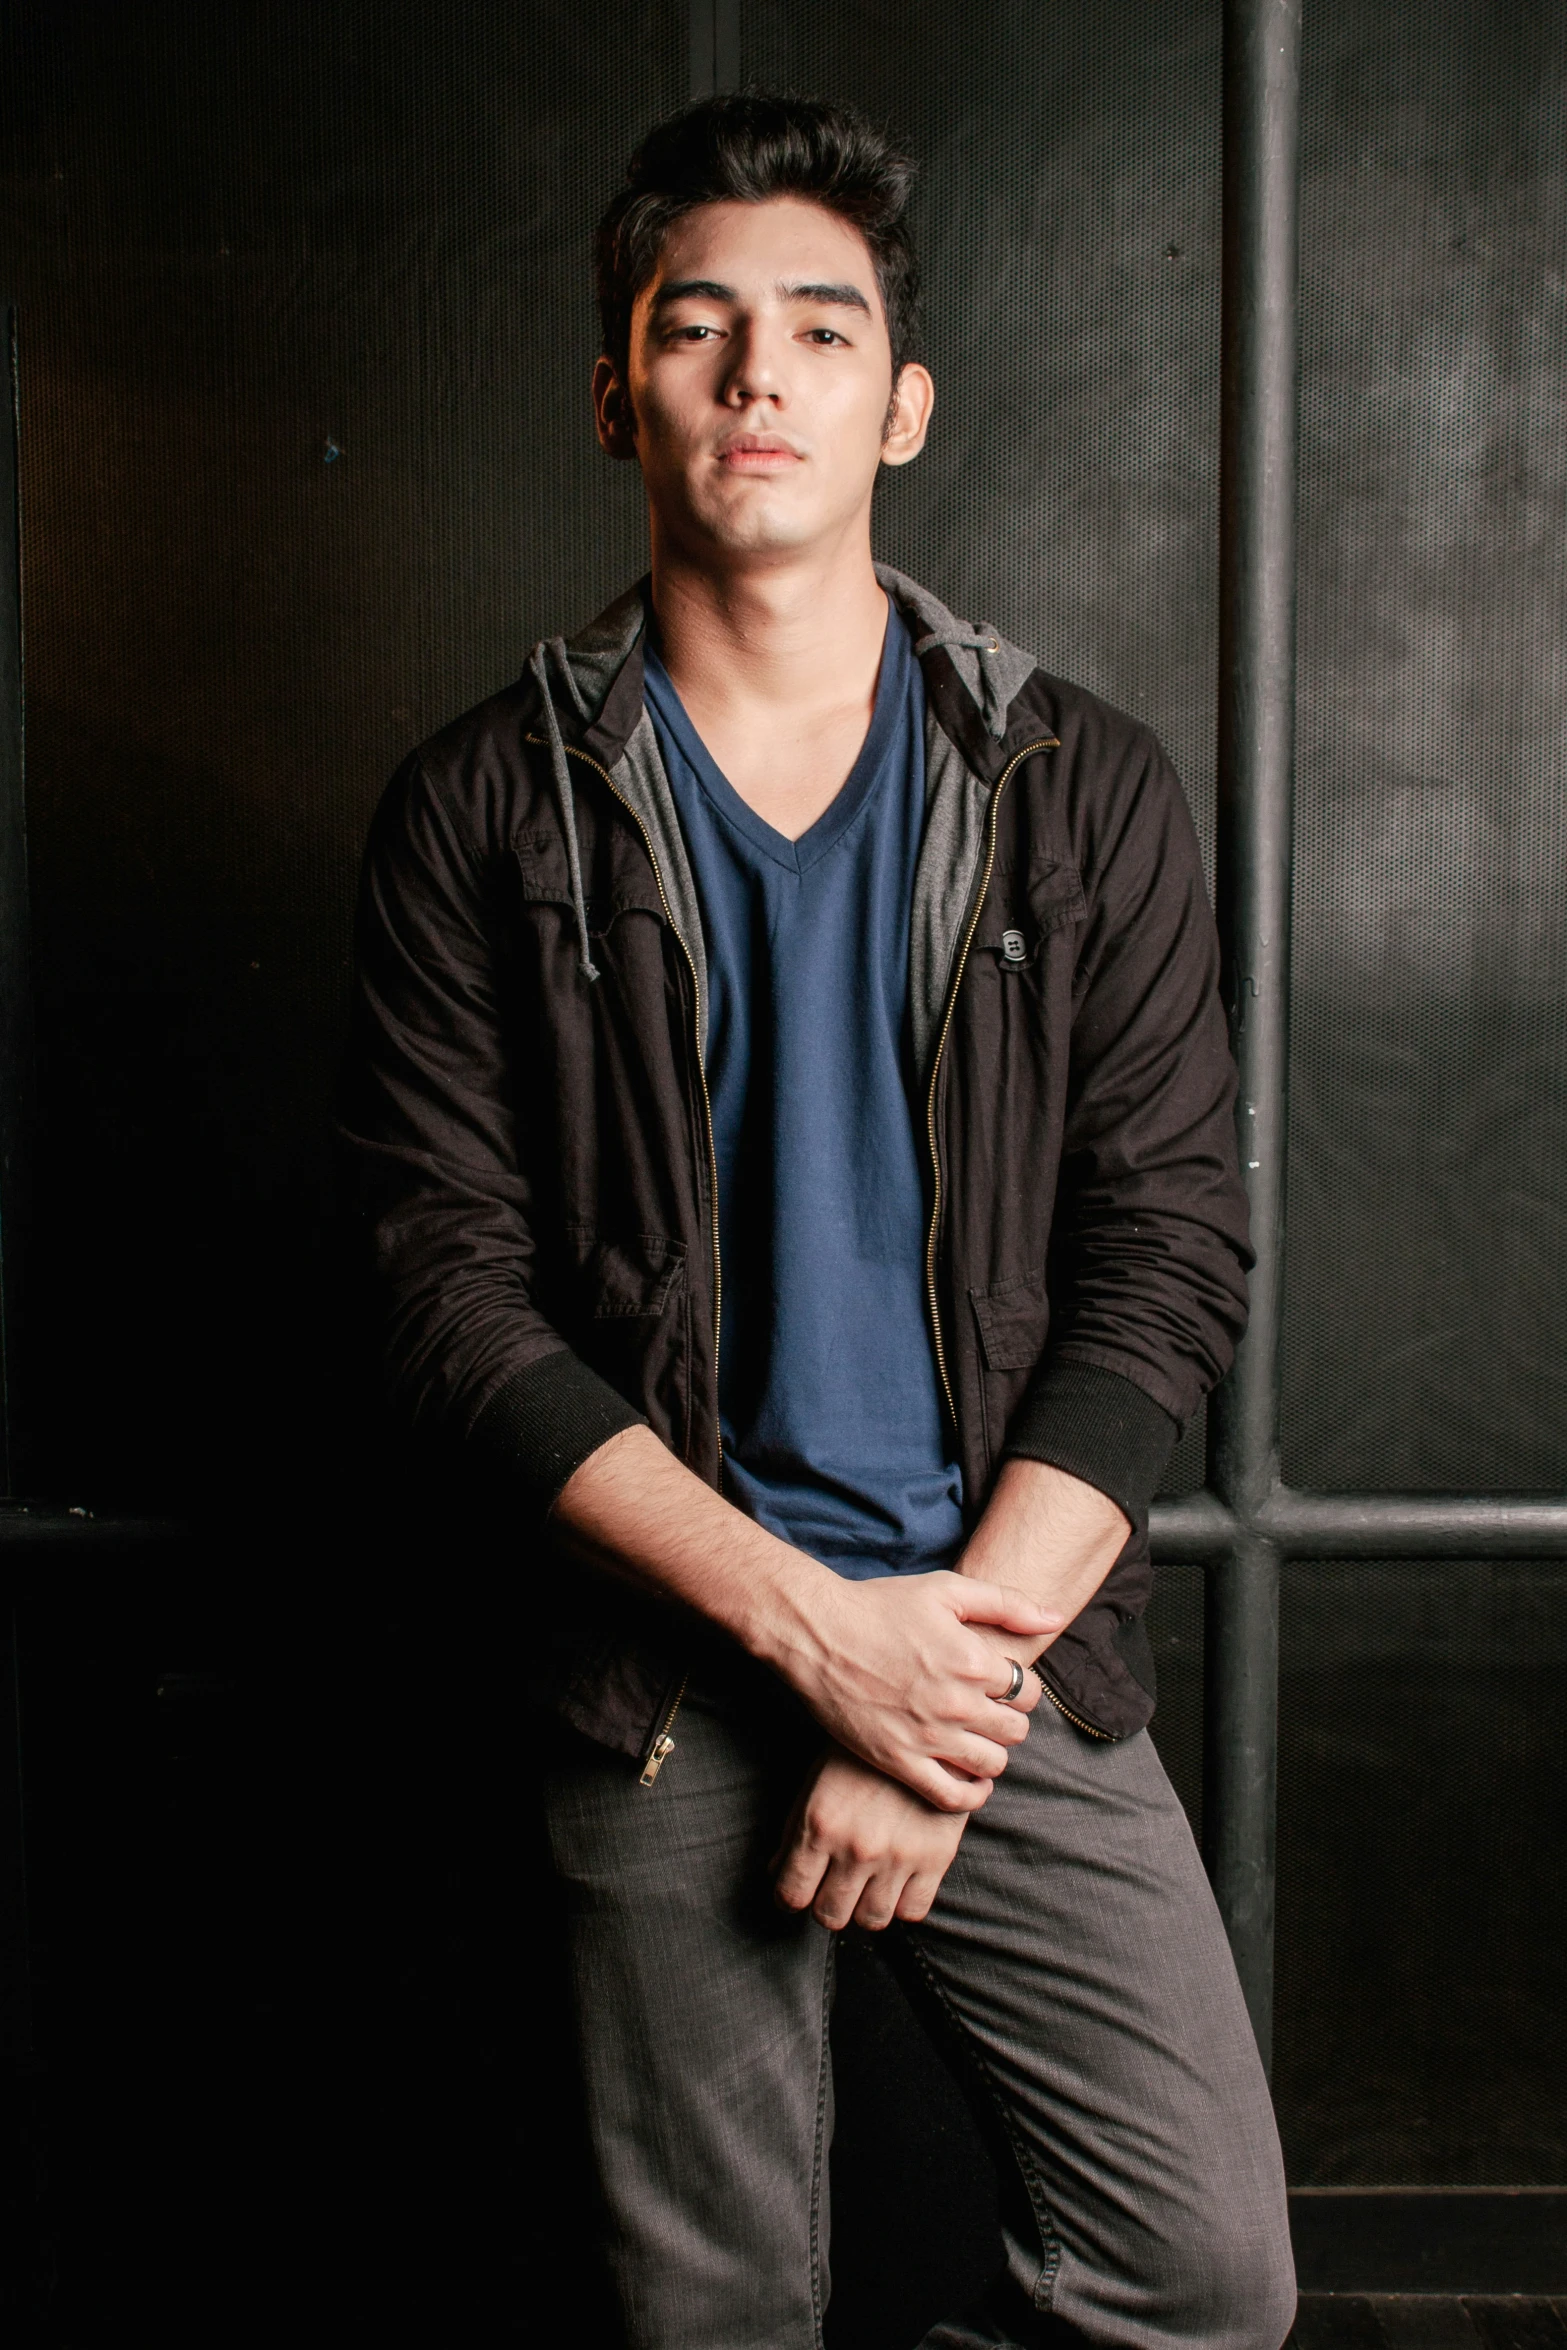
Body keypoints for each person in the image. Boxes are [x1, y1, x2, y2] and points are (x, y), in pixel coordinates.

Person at [341, 90, 1296, 2350]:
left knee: (1205, 2273)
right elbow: (443, 1295)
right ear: (617, 394)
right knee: (715, 2318)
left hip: (1004, 1660)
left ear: (904, 400)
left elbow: (1172, 1252)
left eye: (820, 330)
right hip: (664, 1668)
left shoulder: (1080, 785)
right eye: (698, 330)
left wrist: (925, 1679)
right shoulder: (486, 810)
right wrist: (806, 1636)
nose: (760, 377)